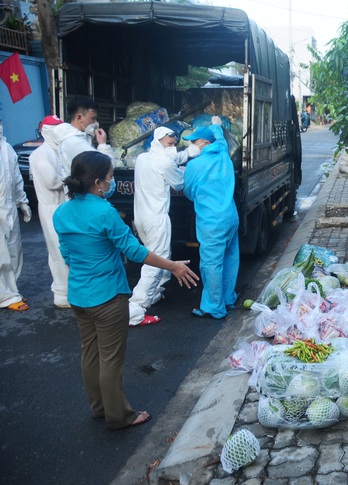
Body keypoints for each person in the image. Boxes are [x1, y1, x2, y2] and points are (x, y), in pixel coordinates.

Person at [53, 150, 198, 430]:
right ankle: (119, 416)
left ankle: (99, 408)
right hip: (107, 296)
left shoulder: (62, 213)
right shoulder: (104, 212)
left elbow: (67, 255)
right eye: (109, 178)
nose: (112, 183)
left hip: (79, 296)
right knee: (111, 360)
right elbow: (135, 251)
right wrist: (173, 266)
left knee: (90, 353)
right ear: (97, 182)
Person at [128, 127, 201, 326]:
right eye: (169, 143)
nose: (172, 147)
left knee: (159, 256)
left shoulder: (143, 158)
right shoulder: (164, 161)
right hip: (157, 218)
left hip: (141, 217)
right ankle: (136, 308)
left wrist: (184, 155)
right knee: (155, 261)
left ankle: (155, 293)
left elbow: (168, 161)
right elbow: (178, 183)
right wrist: (189, 168)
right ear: (159, 140)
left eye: (174, 144)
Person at [182, 116, 239, 318]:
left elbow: (187, 191)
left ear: (205, 143)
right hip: (230, 216)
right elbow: (221, 140)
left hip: (211, 221)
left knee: (211, 264)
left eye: (194, 141)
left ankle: (213, 307)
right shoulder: (223, 154)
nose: (191, 145)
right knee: (230, 257)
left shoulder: (194, 166)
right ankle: (229, 298)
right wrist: (216, 126)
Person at [28, 115, 71, 308]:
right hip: (51, 208)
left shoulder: (59, 151)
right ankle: (62, 294)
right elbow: (53, 182)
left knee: (66, 250)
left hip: (64, 206)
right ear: (47, 131)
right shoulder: (39, 155)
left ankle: (69, 290)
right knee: (58, 251)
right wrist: (72, 175)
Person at [0, 118, 32, 312]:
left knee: (14, 250)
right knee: (1, 255)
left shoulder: (7, 149)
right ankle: (5, 295)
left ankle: (12, 289)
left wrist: (22, 201)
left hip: (9, 206)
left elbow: (16, 178)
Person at [55, 96, 114, 184]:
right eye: (93, 119)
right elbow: (105, 167)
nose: (96, 123)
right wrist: (102, 144)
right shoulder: (75, 142)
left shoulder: (80, 138)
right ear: (79, 118)